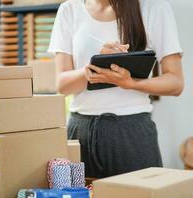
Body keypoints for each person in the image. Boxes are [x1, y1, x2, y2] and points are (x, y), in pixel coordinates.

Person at [48, 0, 184, 178]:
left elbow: (176, 83)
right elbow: (62, 85)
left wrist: (131, 83)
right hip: (79, 133)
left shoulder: (154, 7)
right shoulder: (69, 9)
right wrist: (93, 66)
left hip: (132, 133)